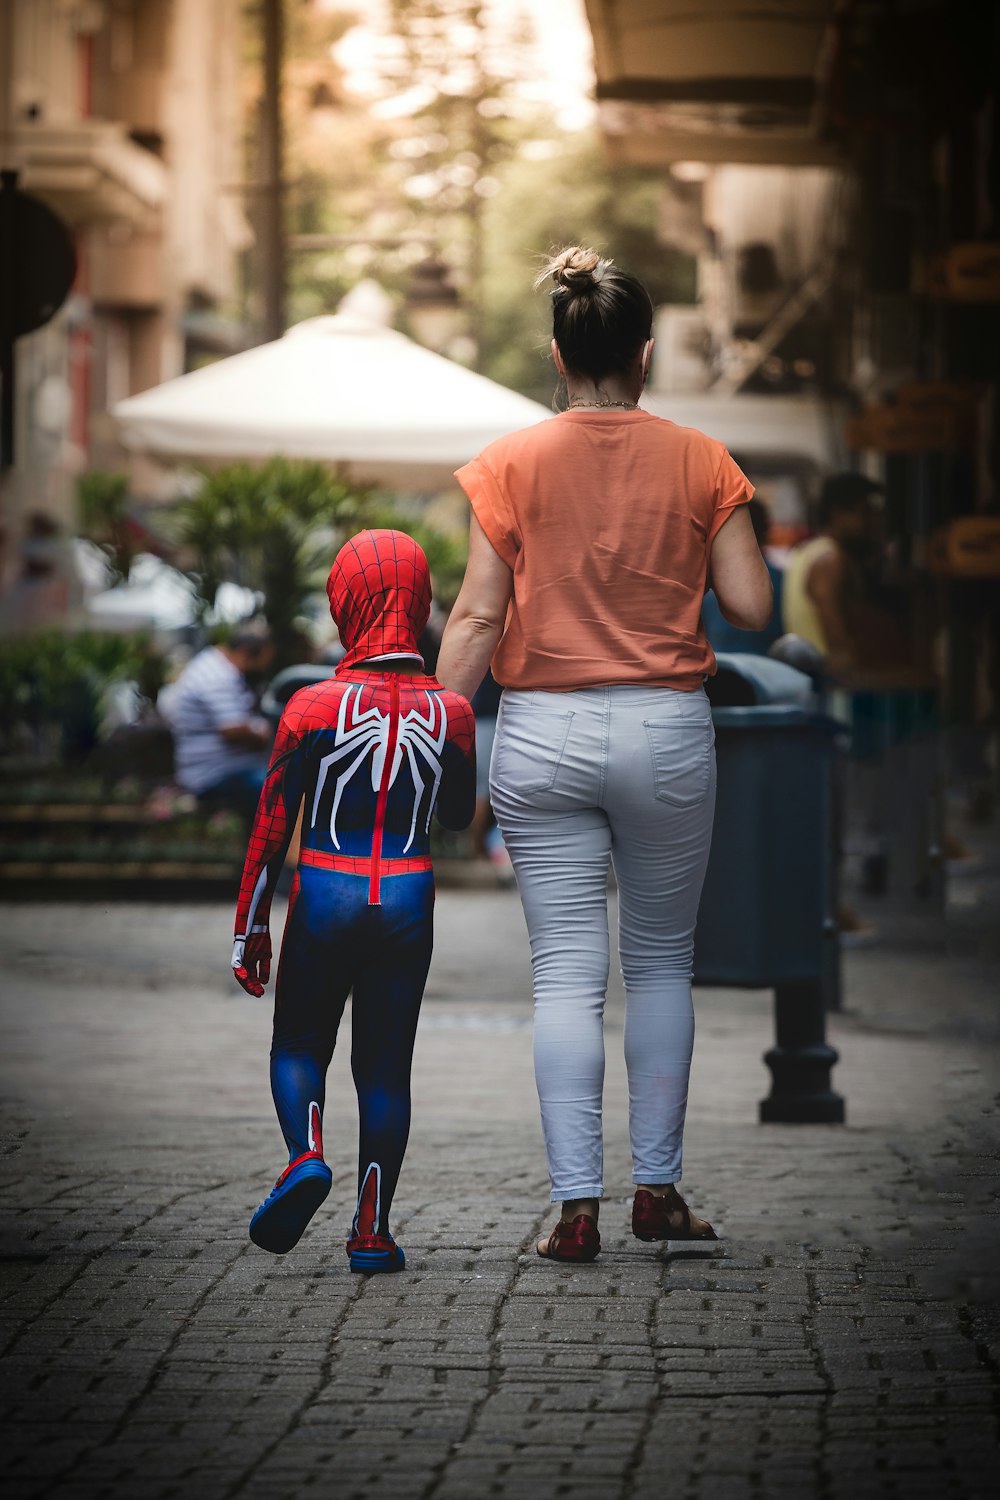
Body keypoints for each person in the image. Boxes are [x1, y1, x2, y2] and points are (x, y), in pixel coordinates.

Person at [436, 246, 772, 1264]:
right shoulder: (703, 460)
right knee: (662, 964)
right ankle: (656, 1193)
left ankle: (574, 1208)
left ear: (557, 352)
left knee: (564, 977)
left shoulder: (506, 464)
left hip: (541, 732)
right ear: (647, 354)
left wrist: (440, 734)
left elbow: (474, 617)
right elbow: (753, 606)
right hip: (667, 729)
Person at [231, 530, 475, 1272]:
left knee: (300, 1044)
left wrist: (250, 925)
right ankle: (372, 1231)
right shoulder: (453, 711)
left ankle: (305, 1156)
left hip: (326, 887)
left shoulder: (312, 705)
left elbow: (271, 825)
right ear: (421, 602)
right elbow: (461, 817)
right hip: (409, 893)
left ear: (346, 600)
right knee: (385, 1069)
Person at [158, 621, 276, 821]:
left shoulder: (216, 665)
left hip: (226, 768)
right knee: (278, 789)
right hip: (212, 774)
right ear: (246, 652)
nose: (260, 670)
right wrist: (265, 734)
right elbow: (233, 730)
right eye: (260, 663)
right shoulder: (217, 676)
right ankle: (275, 851)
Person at [781, 473, 884, 675]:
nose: (873, 522)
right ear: (838, 513)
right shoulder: (830, 558)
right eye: (865, 512)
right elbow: (834, 629)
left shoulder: (806, 551)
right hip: (828, 679)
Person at [702, 497, 784, 656]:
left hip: (719, 670)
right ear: (766, 530)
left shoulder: (707, 585)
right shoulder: (781, 581)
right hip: (769, 672)